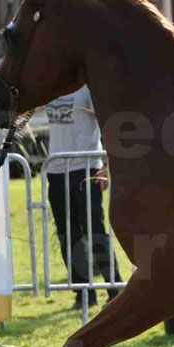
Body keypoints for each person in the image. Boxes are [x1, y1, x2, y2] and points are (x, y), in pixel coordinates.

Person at [45, 85, 122, 309]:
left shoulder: (85, 87)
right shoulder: (49, 83)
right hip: (56, 169)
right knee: (67, 235)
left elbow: (105, 123)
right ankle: (83, 294)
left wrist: (106, 165)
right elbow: (20, 109)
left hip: (86, 166)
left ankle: (114, 291)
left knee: (94, 231)